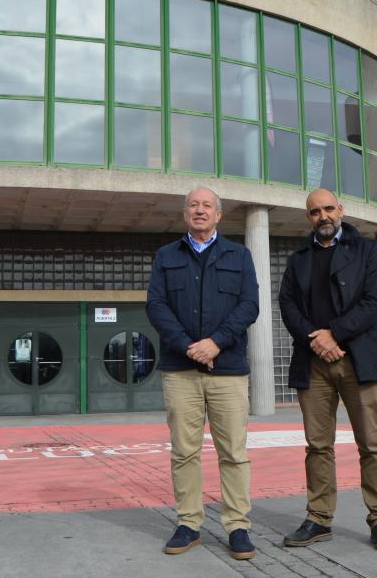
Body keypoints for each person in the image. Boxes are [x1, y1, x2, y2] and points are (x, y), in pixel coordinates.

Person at [278, 188, 377, 552]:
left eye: (329, 208)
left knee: (371, 444)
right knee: (317, 446)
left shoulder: (366, 251)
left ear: (341, 210)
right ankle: (318, 518)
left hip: (357, 359)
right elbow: (286, 303)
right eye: (315, 211)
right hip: (313, 363)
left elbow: (374, 302)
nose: (323, 216)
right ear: (308, 217)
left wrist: (335, 334)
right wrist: (315, 338)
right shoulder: (298, 259)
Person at [146, 186, 260, 560]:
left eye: (206, 205)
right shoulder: (166, 256)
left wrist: (215, 343)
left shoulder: (239, 255)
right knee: (184, 452)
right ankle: (189, 523)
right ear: (185, 214)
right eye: (193, 205)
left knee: (234, 453)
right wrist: (189, 347)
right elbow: (157, 306)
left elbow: (249, 306)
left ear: (218, 215)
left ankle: (237, 526)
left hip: (227, 369)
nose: (199, 210)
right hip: (180, 369)